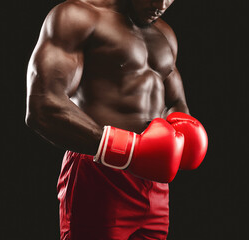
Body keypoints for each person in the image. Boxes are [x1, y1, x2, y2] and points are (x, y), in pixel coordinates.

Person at [25, 0, 208, 239]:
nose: (162, 3)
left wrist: (184, 130)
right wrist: (127, 150)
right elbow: (43, 105)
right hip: (100, 175)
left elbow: (174, 101)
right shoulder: (77, 17)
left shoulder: (165, 34)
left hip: (155, 181)